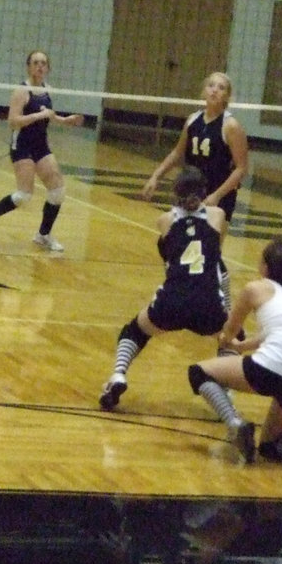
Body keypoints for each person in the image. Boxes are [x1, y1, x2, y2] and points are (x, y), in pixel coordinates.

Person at [186, 238, 282, 482]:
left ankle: (234, 424)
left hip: (271, 368)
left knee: (198, 372)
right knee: (270, 446)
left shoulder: (256, 288)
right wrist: (243, 346)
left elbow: (229, 331)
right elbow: (274, 334)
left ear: (266, 267)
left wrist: (227, 340)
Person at [99, 166, 228, 411]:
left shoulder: (165, 221)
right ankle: (225, 393)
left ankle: (118, 375)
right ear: (203, 192)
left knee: (135, 330)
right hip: (207, 301)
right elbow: (217, 257)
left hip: (173, 299)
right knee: (233, 338)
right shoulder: (218, 215)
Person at [141, 71, 249, 329]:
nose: (214, 90)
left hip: (217, 197)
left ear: (226, 97)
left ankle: (225, 307)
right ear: (203, 91)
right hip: (190, 195)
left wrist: (217, 195)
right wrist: (156, 175)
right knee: (170, 242)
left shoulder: (230, 126)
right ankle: (180, 288)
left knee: (210, 252)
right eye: (211, 85)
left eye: (221, 87)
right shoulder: (192, 121)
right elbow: (179, 153)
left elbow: (241, 168)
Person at [0, 50, 82, 252]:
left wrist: (64, 120)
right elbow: (13, 121)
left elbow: (48, 115)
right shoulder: (21, 91)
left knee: (58, 191)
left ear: (48, 68)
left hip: (41, 146)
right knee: (24, 195)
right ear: (29, 66)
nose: (40, 66)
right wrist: (36, 116)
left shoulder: (48, 90)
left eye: (43, 63)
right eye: (36, 63)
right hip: (22, 145)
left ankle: (43, 234)